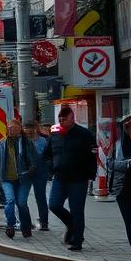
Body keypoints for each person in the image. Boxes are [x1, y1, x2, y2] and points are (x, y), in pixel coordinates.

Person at [45, 106, 98, 251]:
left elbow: (92, 156)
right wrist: (51, 168)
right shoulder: (55, 134)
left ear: (72, 118)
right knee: (54, 205)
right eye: (60, 119)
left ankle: (77, 240)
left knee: (77, 210)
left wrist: (91, 175)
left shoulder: (84, 134)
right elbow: (47, 154)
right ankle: (72, 225)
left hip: (78, 179)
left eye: (65, 119)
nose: (62, 122)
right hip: (60, 177)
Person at [104, 115, 131, 261]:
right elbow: (110, 163)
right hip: (124, 188)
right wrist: (129, 164)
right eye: (126, 128)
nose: (129, 131)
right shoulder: (119, 144)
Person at [0, 119, 39, 240]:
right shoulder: (2, 143)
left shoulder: (26, 142)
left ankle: (26, 227)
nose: (12, 130)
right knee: (10, 200)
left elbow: (34, 158)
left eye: (14, 128)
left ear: (19, 129)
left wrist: (31, 169)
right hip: (6, 178)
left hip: (23, 178)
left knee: (22, 203)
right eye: (10, 128)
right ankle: (10, 225)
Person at [26, 120, 51, 231]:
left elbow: (46, 156)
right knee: (25, 198)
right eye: (26, 129)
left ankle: (43, 222)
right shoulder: (24, 141)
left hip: (39, 172)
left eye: (30, 129)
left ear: (35, 129)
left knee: (39, 198)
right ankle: (30, 222)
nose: (29, 131)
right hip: (29, 172)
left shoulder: (43, 141)